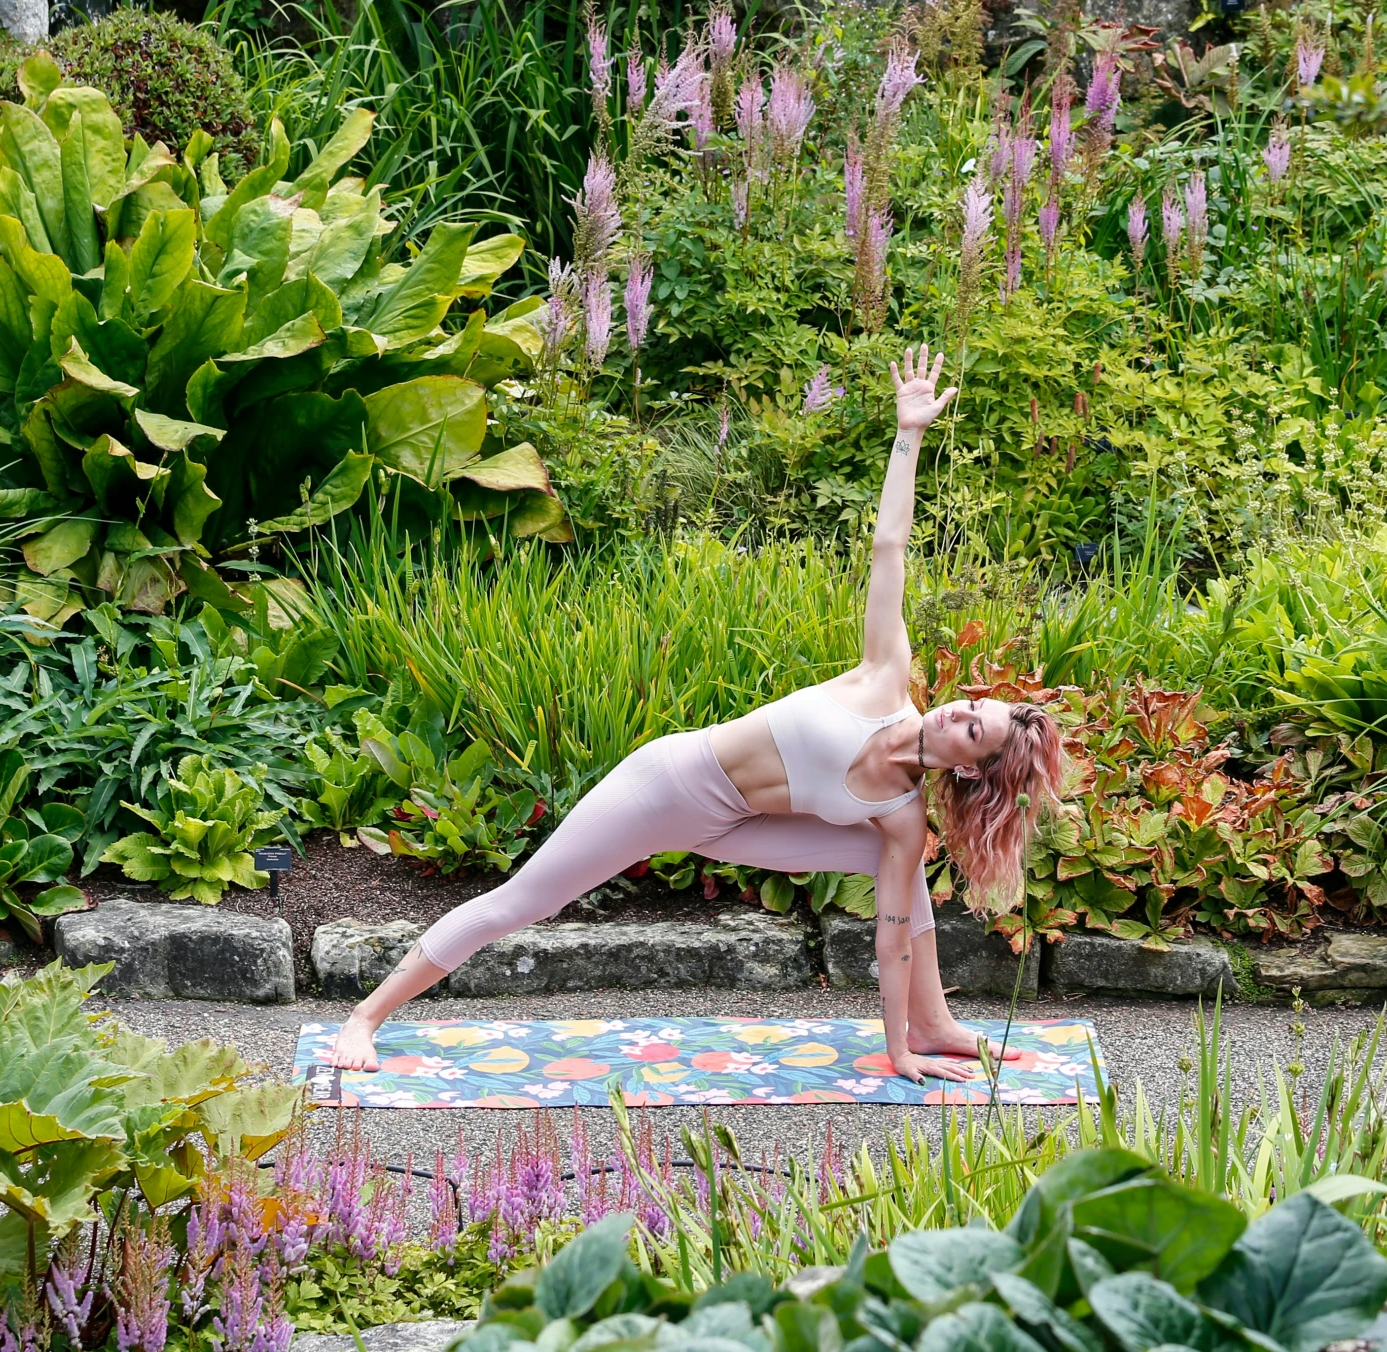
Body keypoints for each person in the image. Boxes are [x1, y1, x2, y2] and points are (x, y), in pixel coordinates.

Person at [328, 346, 1065, 1082]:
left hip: (735, 828)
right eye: (969, 704)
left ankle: (929, 1027)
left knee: (897, 871)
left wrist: (896, 1049)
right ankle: (367, 1015)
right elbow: (889, 547)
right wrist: (909, 434)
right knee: (523, 901)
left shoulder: (904, 817)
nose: (954, 715)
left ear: (973, 767)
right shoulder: (884, 678)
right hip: (671, 786)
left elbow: (893, 938)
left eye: (973, 729)